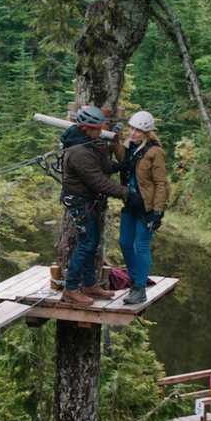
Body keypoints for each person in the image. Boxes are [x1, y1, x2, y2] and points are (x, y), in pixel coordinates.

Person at [60, 105, 142, 306]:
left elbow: (104, 166)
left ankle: (89, 285)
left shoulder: (89, 142)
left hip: (88, 200)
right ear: (85, 128)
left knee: (91, 242)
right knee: (87, 243)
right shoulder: (78, 151)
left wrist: (119, 164)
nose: (100, 132)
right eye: (96, 129)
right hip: (79, 201)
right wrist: (126, 193)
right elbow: (98, 181)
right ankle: (70, 289)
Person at [115, 110, 169, 305]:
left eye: (138, 130)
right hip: (131, 204)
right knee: (124, 242)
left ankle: (139, 288)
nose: (133, 133)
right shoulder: (130, 147)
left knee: (141, 246)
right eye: (132, 129)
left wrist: (157, 212)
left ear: (146, 133)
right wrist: (115, 140)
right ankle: (135, 279)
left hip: (147, 206)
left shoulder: (155, 152)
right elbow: (122, 159)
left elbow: (161, 183)